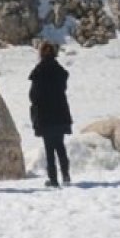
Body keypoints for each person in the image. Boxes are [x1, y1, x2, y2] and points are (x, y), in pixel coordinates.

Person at [29, 41, 73, 188]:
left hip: (45, 115)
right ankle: (66, 175)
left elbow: (33, 96)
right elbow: (63, 88)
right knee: (60, 146)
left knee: (49, 149)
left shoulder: (39, 71)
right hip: (60, 113)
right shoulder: (59, 71)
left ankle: (53, 179)